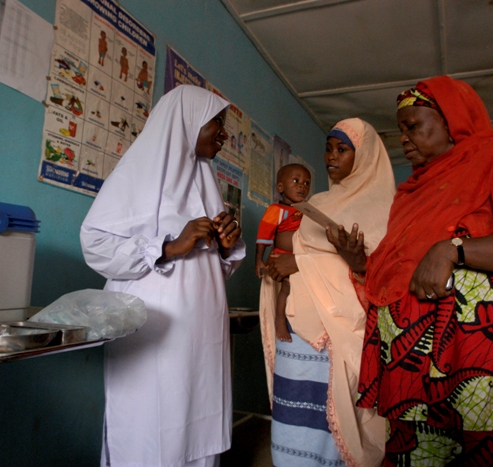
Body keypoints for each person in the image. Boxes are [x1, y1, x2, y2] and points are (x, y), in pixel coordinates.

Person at [353, 76, 493, 465]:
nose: (403, 139)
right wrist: (362, 263)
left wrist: (456, 249)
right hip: (412, 377)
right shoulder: (410, 194)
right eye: (400, 130)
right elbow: (400, 271)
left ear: (450, 119)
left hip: (487, 365)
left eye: (413, 126)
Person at [80, 85, 245, 467]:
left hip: (201, 334)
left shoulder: (205, 179)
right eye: (215, 123)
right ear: (186, 123)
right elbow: (95, 244)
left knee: (197, 424)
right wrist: (169, 246)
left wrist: (225, 245)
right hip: (154, 330)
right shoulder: (138, 172)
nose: (223, 134)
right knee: (150, 426)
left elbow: (217, 267)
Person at [262, 118, 395, 466]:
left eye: (343, 149)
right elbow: (299, 248)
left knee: (332, 418)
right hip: (298, 326)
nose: (331, 157)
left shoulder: (384, 206)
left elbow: (382, 272)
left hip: (337, 334)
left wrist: (301, 263)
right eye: (328, 148)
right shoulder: (319, 201)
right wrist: (295, 261)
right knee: (293, 410)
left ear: (363, 156)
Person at [255, 163, 312, 342]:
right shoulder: (276, 210)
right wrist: (259, 260)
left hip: (300, 261)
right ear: (280, 187)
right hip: (280, 257)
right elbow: (264, 235)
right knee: (286, 287)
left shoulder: (306, 210)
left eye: (306, 183)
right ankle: (280, 319)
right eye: (296, 181)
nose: (302, 186)